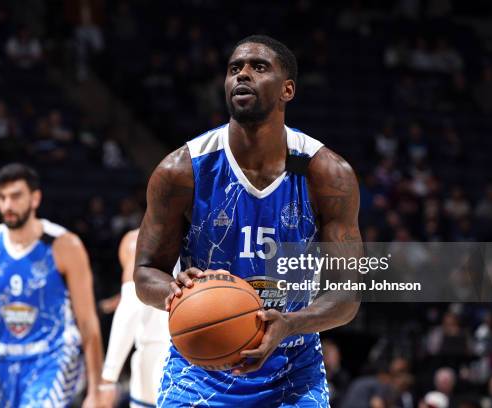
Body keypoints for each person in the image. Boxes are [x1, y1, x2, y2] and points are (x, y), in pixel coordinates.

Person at [134, 35, 362, 407]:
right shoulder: (181, 171)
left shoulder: (327, 174)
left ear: (287, 89)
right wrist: (175, 292)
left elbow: (347, 296)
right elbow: (145, 273)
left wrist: (289, 324)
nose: (242, 75)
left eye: (258, 67)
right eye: (234, 68)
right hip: (199, 370)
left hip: (292, 371)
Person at [0, 163, 110, 407]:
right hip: (6, 361)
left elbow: (87, 321)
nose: (7, 205)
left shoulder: (65, 245)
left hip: (54, 357)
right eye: (2, 197)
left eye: (15, 196)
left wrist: (97, 388)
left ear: (35, 198)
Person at [101, 228, 170, 407]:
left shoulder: (138, 241)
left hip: (155, 360)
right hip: (199, 360)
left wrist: (108, 377)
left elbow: (129, 312)